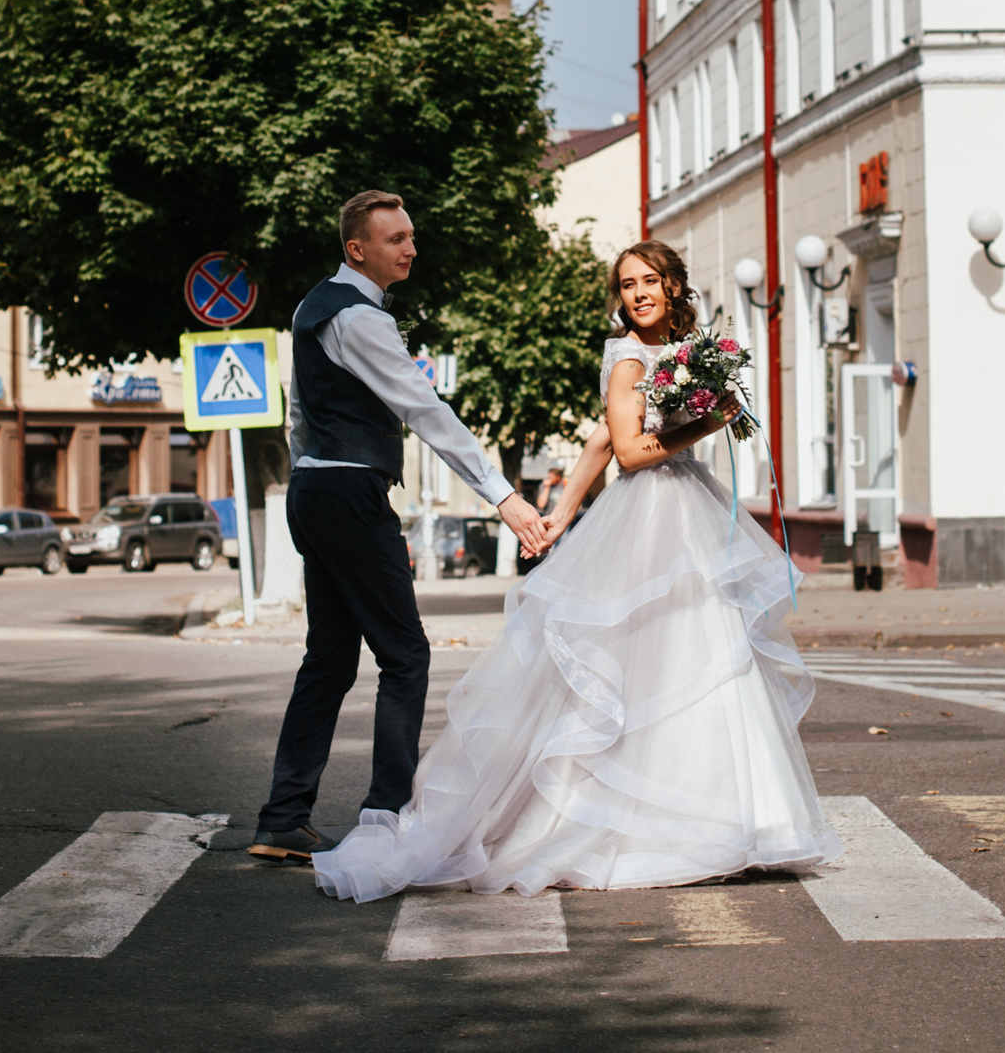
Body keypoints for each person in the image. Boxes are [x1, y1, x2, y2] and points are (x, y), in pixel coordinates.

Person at [312, 238, 839, 901]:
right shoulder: (625, 358)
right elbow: (627, 448)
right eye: (626, 284)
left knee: (710, 654)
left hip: (690, 512)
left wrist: (559, 513)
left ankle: (744, 821)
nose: (639, 293)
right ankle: (648, 825)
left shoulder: (688, 350)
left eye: (650, 280)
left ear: (674, 286)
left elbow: (592, 441)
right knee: (639, 662)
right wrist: (704, 426)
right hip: (648, 514)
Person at [247, 191, 551, 864]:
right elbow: (424, 407)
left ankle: (282, 816)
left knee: (329, 658)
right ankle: (386, 817)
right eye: (395, 239)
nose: (410, 247)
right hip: (351, 492)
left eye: (411, 235)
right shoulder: (360, 318)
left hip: (317, 489)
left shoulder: (313, 306)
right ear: (358, 248)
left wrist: (311, 482)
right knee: (405, 656)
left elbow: (300, 415)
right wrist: (502, 495)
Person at [514, 466, 566, 576]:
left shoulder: (565, 486)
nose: (548, 479)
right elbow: (541, 504)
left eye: (551, 477)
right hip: (549, 522)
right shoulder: (544, 486)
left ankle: (562, 572)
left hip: (564, 522)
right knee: (548, 550)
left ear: (558, 477)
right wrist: (546, 487)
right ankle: (549, 572)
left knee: (563, 548)